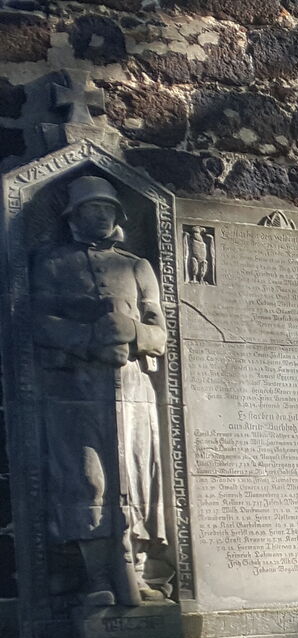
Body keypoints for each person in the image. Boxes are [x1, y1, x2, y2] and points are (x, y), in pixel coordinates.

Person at [27, 174, 169, 607]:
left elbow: (160, 332)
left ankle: (139, 570)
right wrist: (88, 336)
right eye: (91, 208)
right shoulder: (52, 263)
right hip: (76, 389)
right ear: (75, 215)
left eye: (107, 208)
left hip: (132, 388)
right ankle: (96, 577)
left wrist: (133, 332)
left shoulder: (136, 266)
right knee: (86, 478)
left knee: (137, 477)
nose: (100, 214)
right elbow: (37, 322)